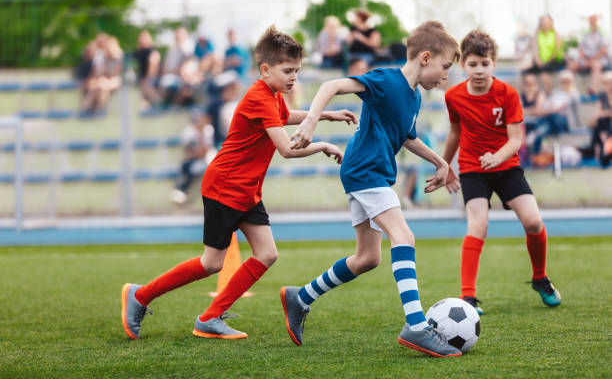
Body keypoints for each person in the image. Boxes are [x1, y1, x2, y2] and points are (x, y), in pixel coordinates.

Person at [121, 26, 356, 340]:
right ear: (265, 69)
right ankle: (140, 296)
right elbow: (286, 149)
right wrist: (323, 145)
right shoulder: (260, 97)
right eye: (287, 71)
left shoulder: (272, 96)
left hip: (245, 190)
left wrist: (324, 115)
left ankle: (210, 317)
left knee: (267, 253)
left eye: (297, 71)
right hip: (225, 188)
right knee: (211, 263)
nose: (293, 78)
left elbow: (285, 117)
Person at [282, 21, 463, 357]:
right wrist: (310, 120)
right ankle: (417, 325)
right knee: (404, 237)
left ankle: (300, 297)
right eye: (445, 67)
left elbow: (408, 137)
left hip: (368, 172)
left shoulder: (412, 97)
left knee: (367, 258)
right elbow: (331, 85)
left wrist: (441, 162)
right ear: (426, 57)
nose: (445, 75)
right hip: (367, 172)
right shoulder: (386, 80)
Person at [441, 29, 562, 317]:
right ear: (463, 66)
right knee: (478, 226)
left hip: (506, 166)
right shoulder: (453, 97)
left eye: (485, 64)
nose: (479, 70)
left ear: (494, 63)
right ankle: (468, 298)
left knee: (533, 221)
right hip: (473, 168)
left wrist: (497, 157)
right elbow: (455, 132)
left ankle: (539, 278)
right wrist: (444, 166)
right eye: (473, 64)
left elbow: (516, 140)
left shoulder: (507, 93)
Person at [170, 108, 217, 205]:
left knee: (199, 168)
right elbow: (188, 151)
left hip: (208, 159)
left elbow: (205, 152)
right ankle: (181, 191)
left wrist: (200, 134)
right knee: (186, 166)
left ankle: (182, 191)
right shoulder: (189, 131)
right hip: (195, 159)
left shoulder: (208, 129)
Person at [567, 14, 611, 94]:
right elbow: (581, 48)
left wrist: (591, 60)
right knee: (571, 65)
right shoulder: (586, 34)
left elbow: (603, 51)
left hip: (598, 59)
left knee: (596, 65)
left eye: (594, 21)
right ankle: (569, 91)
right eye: (590, 21)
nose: (592, 23)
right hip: (586, 59)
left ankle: (593, 90)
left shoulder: (603, 33)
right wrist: (584, 59)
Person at [132, 30, 161, 111]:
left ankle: (158, 104)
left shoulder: (153, 52)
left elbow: (152, 70)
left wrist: (146, 80)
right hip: (140, 79)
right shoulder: (137, 53)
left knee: (146, 87)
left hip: (151, 79)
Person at [588, 70, 612, 166]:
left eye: (607, 82)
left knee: (603, 122)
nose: (605, 85)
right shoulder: (602, 95)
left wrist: (605, 113)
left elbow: (606, 112)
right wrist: (595, 116)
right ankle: (606, 149)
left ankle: (604, 151)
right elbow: (598, 110)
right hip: (605, 123)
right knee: (600, 122)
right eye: (604, 82)